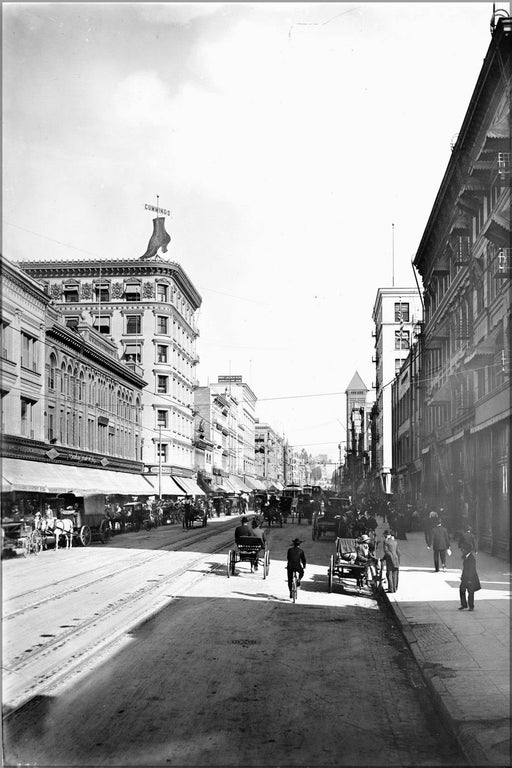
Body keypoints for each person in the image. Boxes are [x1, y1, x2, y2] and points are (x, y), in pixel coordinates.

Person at [459, 545, 481, 611]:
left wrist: (470, 579)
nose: (462, 551)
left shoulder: (471, 558)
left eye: (463, 550)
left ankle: (471, 606)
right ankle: (464, 604)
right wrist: (462, 576)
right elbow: (464, 568)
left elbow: (472, 570)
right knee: (462, 590)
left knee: (470, 592)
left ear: (466, 550)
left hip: (470, 578)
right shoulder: (466, 556)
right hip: (465, 577)